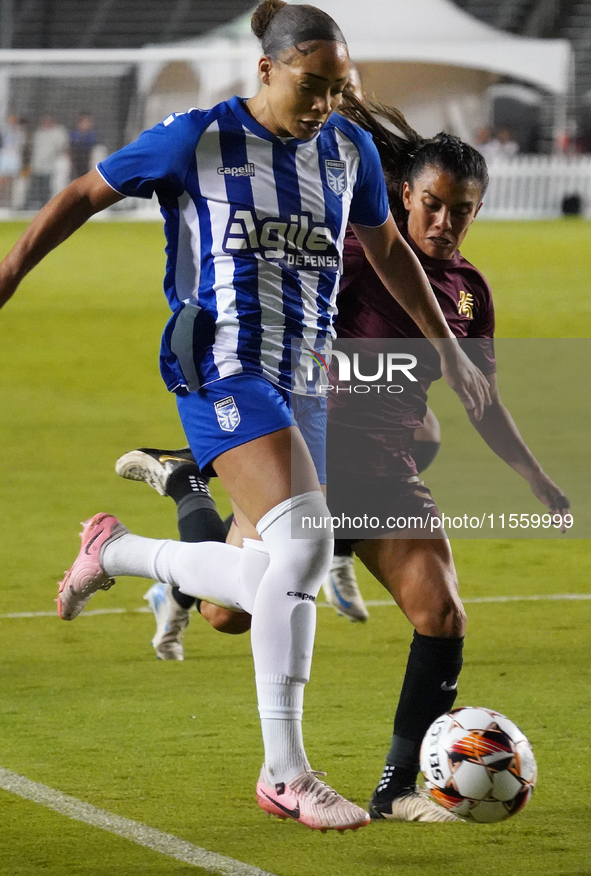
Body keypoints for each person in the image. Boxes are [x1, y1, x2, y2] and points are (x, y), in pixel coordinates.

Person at [0, 0, 490, 832]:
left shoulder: (348, 151)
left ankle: (117, 550)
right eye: (312, 85)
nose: (327, 103)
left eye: (340, 87)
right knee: (303, 544)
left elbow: (385, 251)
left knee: (262, 589)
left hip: (303, 377)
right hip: (220, 360)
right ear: (264, 70)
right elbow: (85, 191)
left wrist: (444, 345)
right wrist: (10, 270)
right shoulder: (197, 137)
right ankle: (286, 773)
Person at [120, 94, 570, 825]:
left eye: (461, 210)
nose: (443, 223)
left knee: (442, 613)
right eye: (431, 204)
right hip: (305, 460)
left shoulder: (468, 295)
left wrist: (536, 478)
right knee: (223, 617)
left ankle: (395, 791)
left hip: (386, 473)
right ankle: (185, 490)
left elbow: (480, 399)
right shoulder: (354, 256)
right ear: (404, 196)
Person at [26, 115, 69, 210]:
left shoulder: (58, 132)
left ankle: (46, 205)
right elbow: (34, 149)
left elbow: (61, 146)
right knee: (35, 186)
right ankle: (30, 204)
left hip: (50, 165)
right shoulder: (39, 133)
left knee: (47, 186)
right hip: (37, 165)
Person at [69, 112, 97, 180]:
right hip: (76, 159)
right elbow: (70, 148)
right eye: (83, 122)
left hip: (87, 159)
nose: (85, 124)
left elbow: (93, 148)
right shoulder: (73, 135)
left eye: (87, 122)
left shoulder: (92, 135)